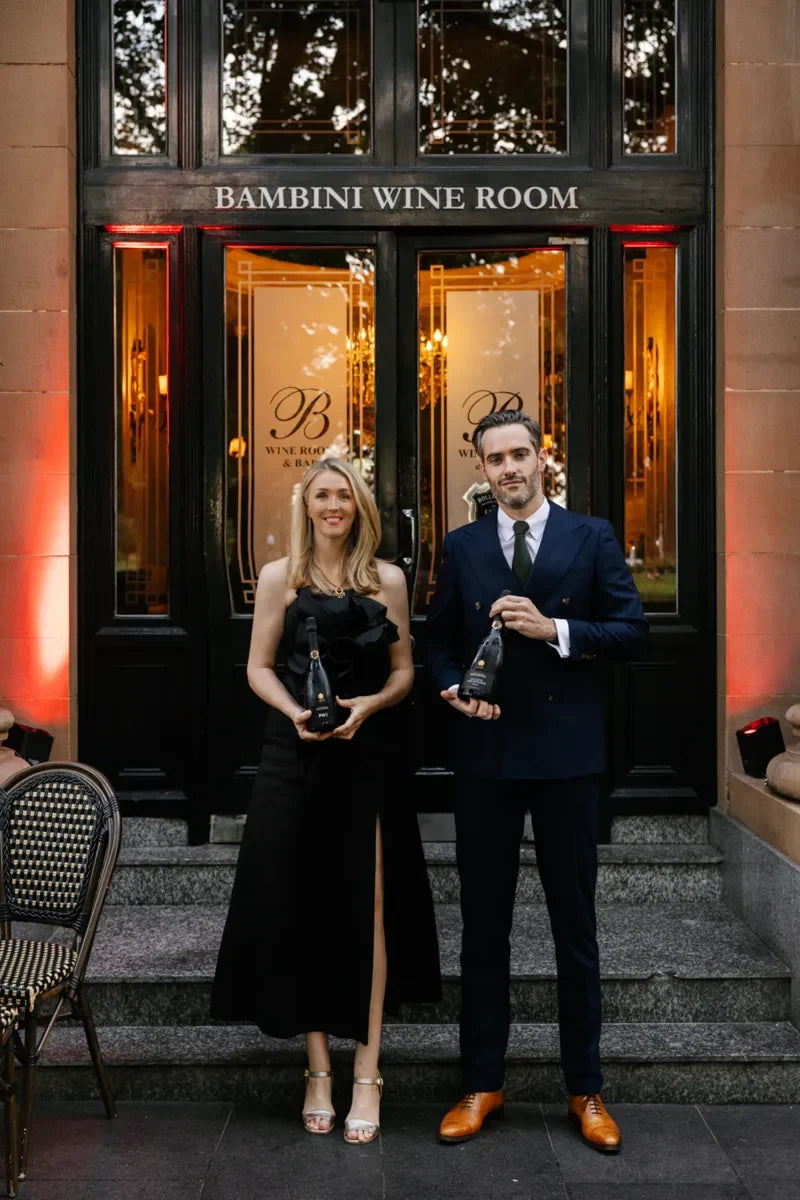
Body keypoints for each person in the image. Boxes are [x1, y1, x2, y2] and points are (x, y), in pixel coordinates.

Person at [425, 410, 648, 1154]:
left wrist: (551, 630)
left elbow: (631, 632)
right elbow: (436, 640)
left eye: (520, 454)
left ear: (542, 458)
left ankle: (585, 1088)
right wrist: (453, 684)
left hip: (565, 761)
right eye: (495, 459)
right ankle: (482, 1082)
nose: (509, 468)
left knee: (573, 932)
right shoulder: (460, 545)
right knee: (483, 931)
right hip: (485, 758)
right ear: (482, 470)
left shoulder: (591, 536)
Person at [211, 456, 440, 1143]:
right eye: (322, 496)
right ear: (306, 506)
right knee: (302, 905)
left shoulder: (388, 581)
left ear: (360, 506)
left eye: (344, 495)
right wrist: (294, 714)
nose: (333, 506)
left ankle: (367, 1073)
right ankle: (318, 1070)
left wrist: (368, 706)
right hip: (293, 759)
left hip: (366, 756)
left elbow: (405, 674)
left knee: (369, 910)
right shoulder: (282, 577)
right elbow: (256, 668)